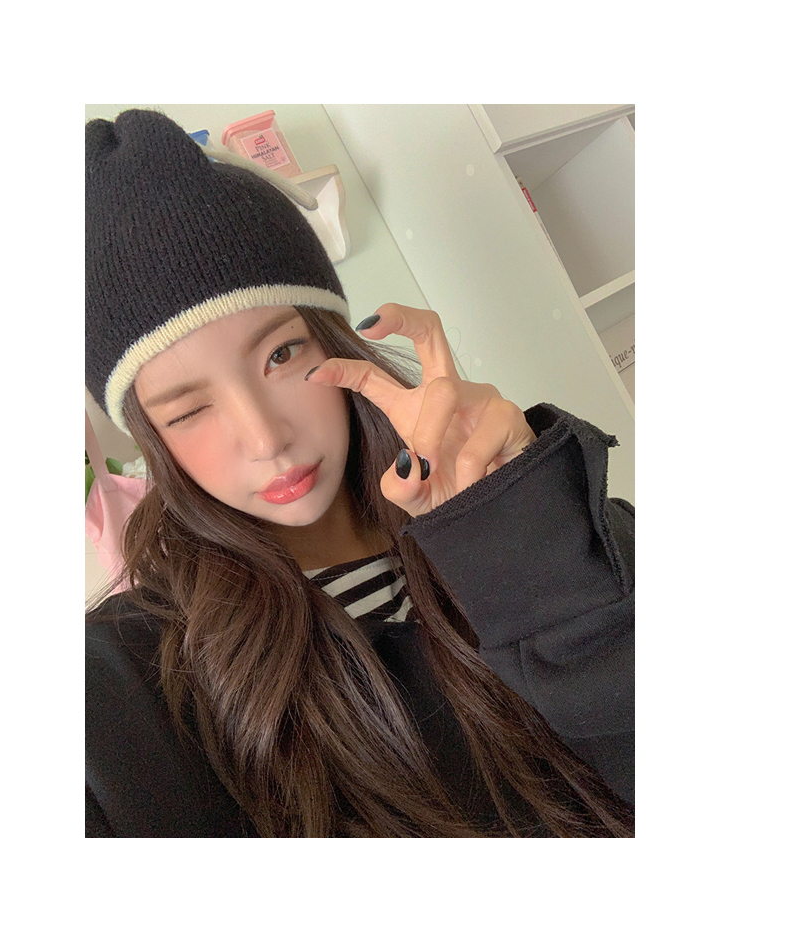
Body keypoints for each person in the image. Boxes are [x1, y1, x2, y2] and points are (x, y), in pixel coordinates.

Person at [85, 108, 635, 838]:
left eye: (281, 355)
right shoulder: (132, 680)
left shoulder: (555, 520)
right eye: (188, 410)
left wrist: (520, 539)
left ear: (337, 339)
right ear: (151, 440)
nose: (266, 438)